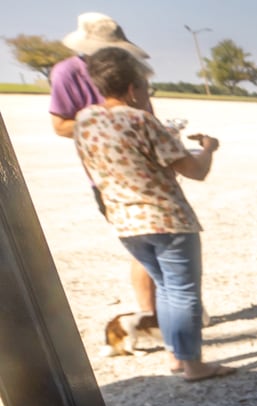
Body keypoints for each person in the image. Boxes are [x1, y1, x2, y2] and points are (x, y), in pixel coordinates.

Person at [73, 47, 232, 380]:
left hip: (125, 221)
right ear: (133, 88)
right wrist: (207, 148)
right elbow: (195, 170)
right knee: (184, 291)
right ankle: (194, 365)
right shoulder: (141, 120)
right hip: (165, 217)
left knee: (164, 287)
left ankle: (176, 356)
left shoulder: (85, 120)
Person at [50, 12, 157, 323]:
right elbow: (60, 125)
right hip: (110, 178)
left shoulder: (129, 69)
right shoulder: (66, 73)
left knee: (167, 245)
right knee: (144, 246)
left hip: (148, 170)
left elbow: (146, 113)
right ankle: (150, 314)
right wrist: (109, 122)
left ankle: (169, 311)